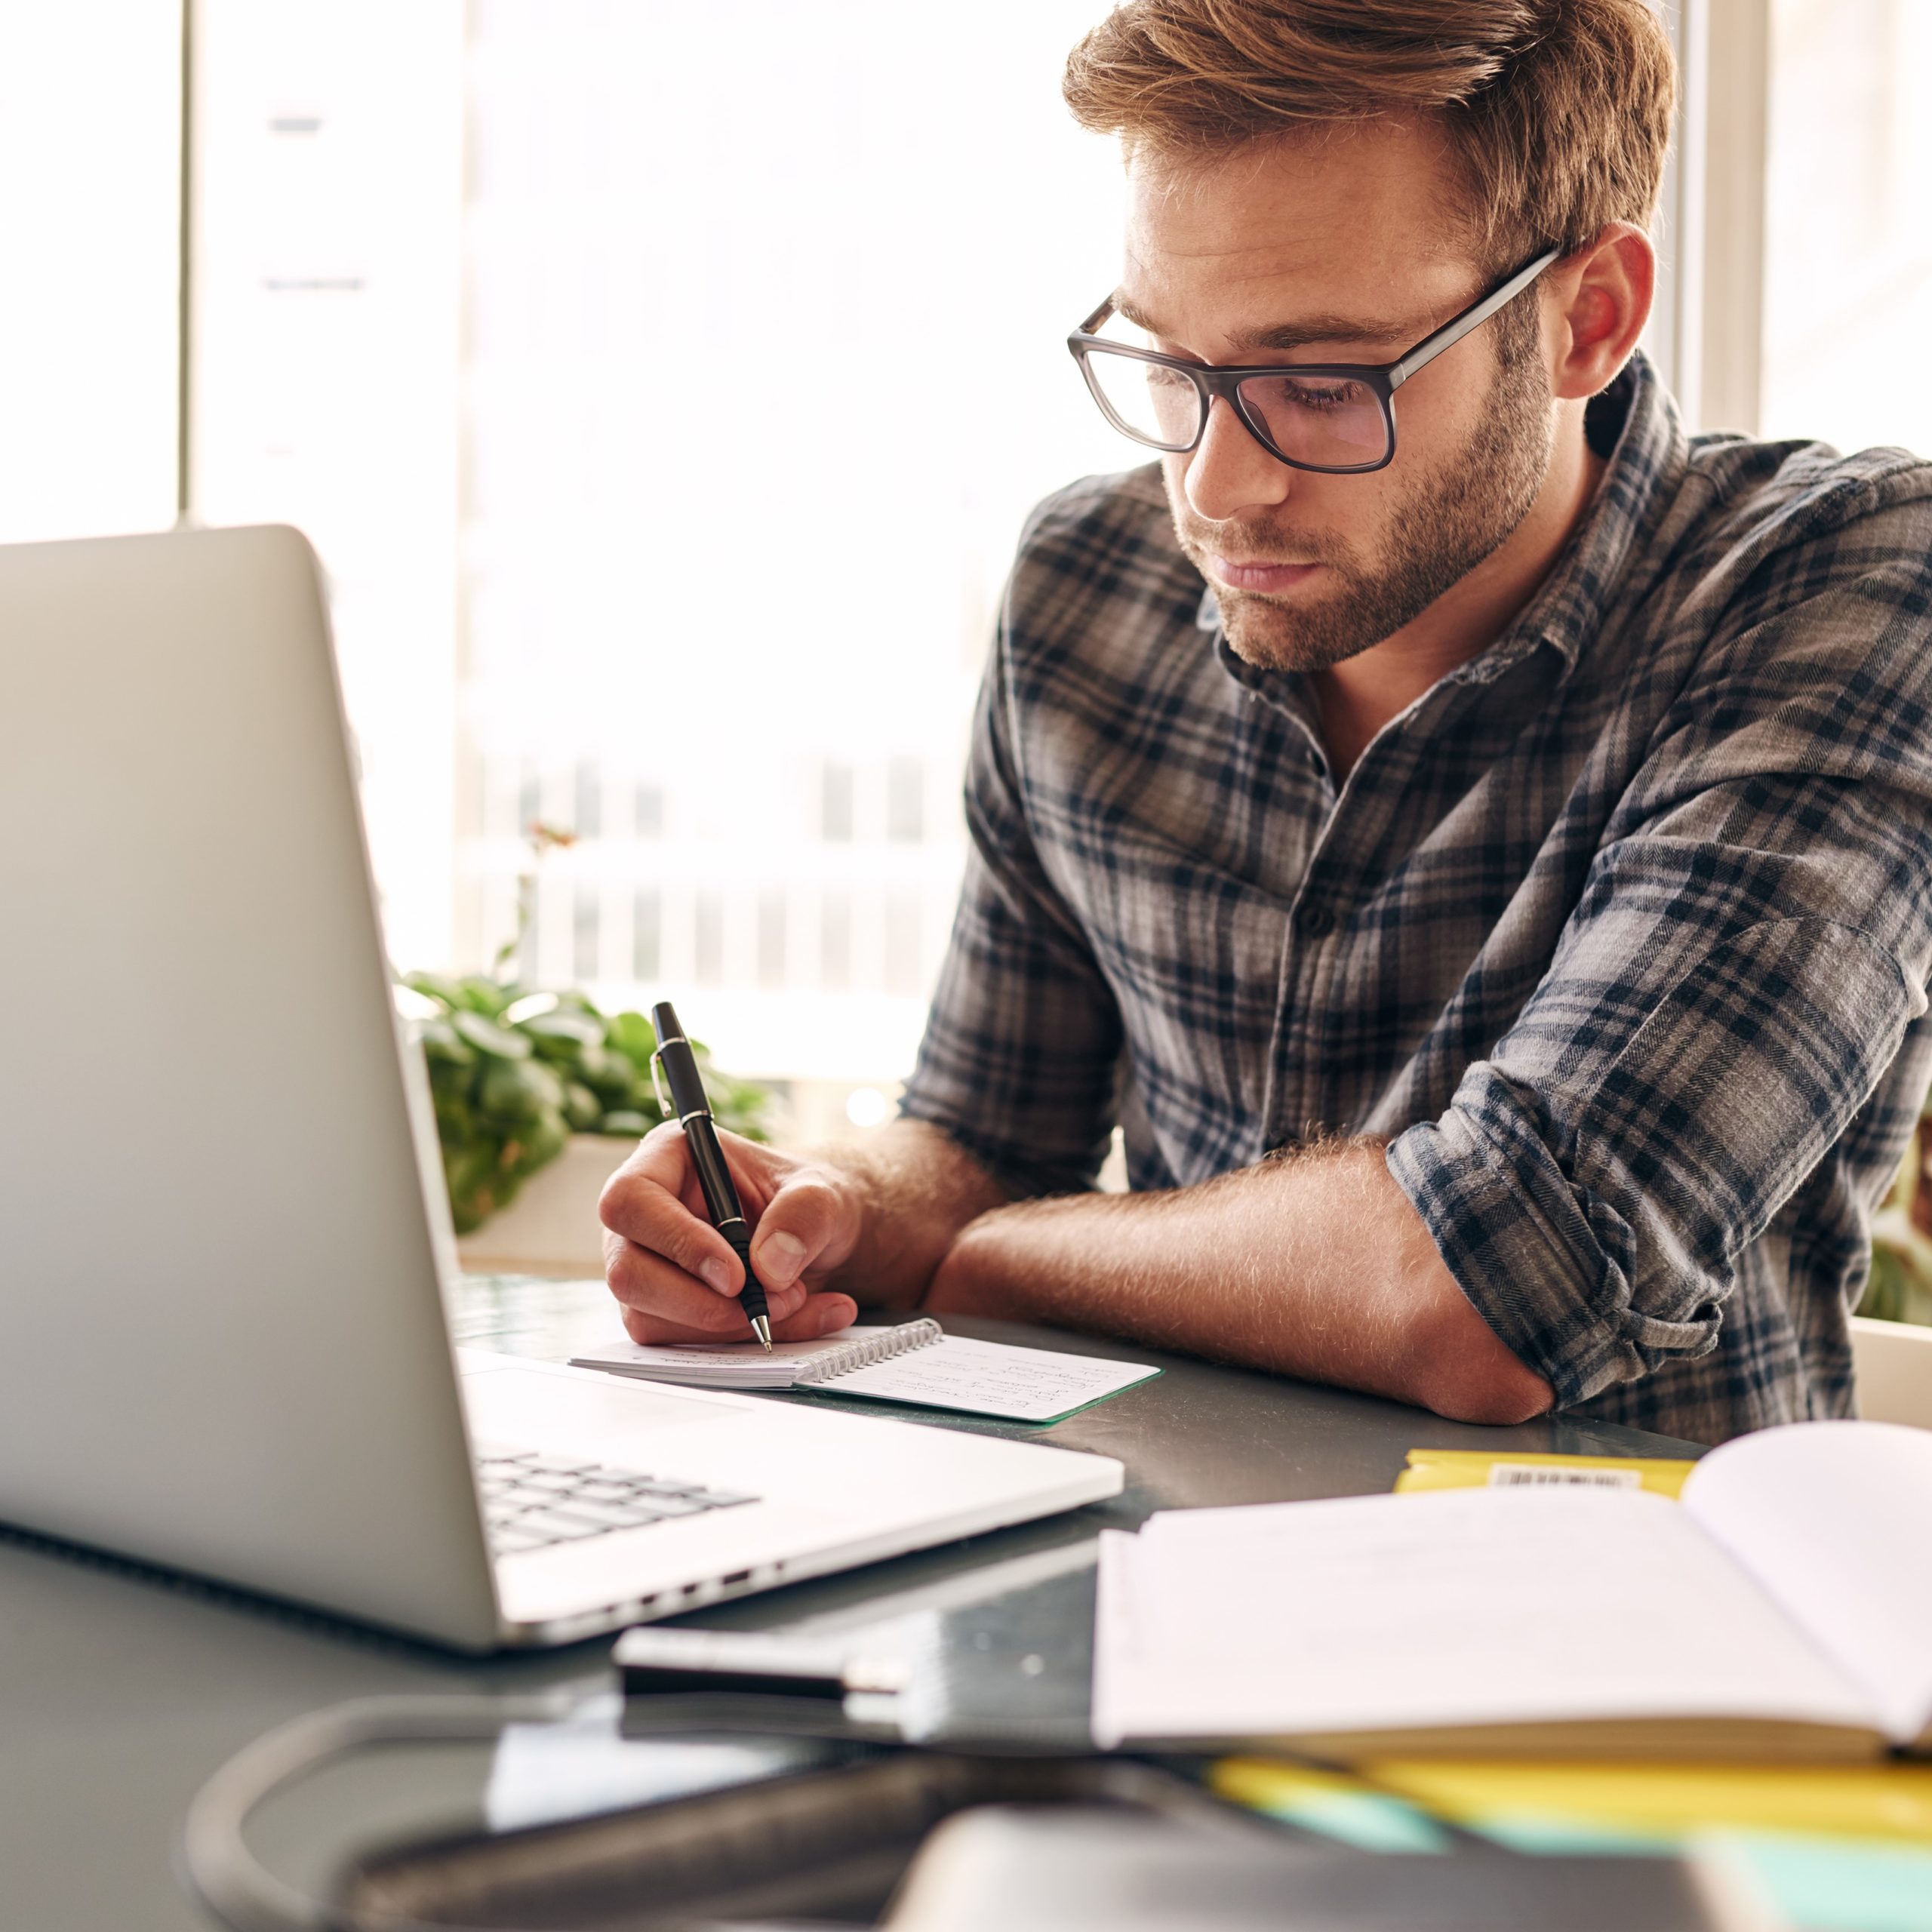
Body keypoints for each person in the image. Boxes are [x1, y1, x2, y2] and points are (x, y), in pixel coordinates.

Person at [601, 0, 1932, 1445]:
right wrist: (846, 1217)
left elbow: (1505, 1284)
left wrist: (976, 1262)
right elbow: (987, 1139)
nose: (1218, 490)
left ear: (1586, 318)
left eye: (1321, 382)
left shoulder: (1843, 583)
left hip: (1621, 1625)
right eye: (1172, 368)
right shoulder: (1084, 588)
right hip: (1144, 1578)